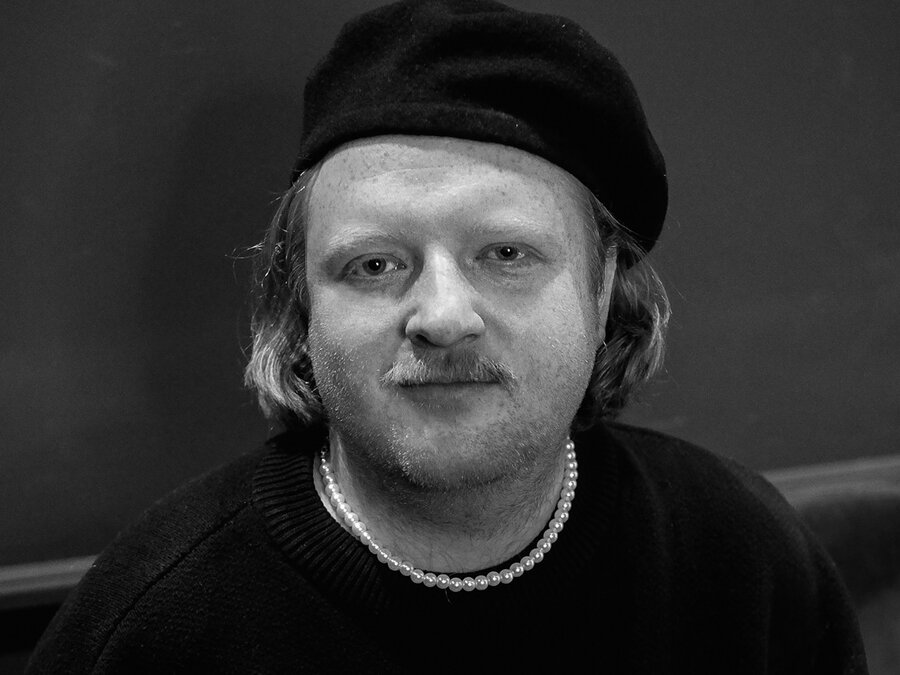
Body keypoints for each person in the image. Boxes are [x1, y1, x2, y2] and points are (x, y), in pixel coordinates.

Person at [27, 1, 868, 673]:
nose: (441, 316)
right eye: (374, 265)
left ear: (602, 283)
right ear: (300, 306)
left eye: (505, 254)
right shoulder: (153, 628)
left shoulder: (743, 561)